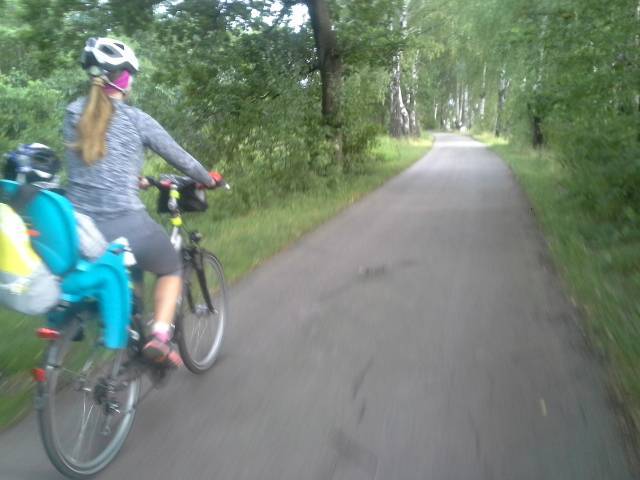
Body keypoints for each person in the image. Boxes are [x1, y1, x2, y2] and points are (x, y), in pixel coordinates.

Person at [64, 37, 218, 368]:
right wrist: (207, 178)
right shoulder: (136, 119)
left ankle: (125, 326)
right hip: (121, 223)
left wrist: (132, 178)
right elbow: (181, 159)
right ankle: (160, 338)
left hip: (75, 226)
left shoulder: (73, 113)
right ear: (123, 78)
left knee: (130, 262)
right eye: (130, 75)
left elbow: (92, 162)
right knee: (170, 267)